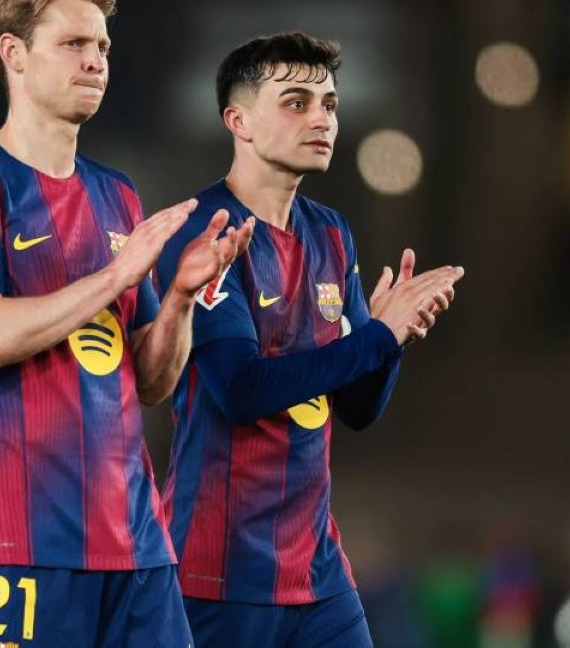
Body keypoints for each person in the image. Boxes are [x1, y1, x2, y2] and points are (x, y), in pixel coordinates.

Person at [0, 0, 252, 647]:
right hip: (18, 540)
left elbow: (150, 379)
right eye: (73, 44)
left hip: (136, 545)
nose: (95, 61)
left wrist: (180, 297)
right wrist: (116, 274)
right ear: (14, 54)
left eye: (102, 47)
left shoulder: (116, 195)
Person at [155, 32, 464, 647]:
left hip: (318, 572)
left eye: (329, 104)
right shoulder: (203, 231)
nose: (321, 119)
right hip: (220, 571)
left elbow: (357, 408)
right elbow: (240, 391)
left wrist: (391, 340)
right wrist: (377, 337)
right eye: (296, 102)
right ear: (238, 121)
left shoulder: (331, 233)